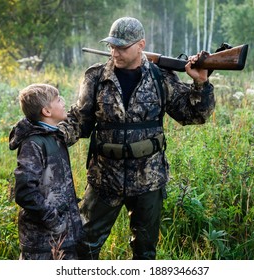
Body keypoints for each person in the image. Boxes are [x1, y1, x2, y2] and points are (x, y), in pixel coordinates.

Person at [59, 16, 215, 260]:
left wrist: (200, 83)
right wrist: (50, 136)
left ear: (141, 45)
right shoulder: (96, 77)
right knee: (83, 246)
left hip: (148, 179)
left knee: (145, 252)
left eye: (122, 47)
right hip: (104, 178)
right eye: (112, 46)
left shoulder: (160, 77)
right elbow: (79, 120)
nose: (115, 52)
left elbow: (194, 115)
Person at [9, 83, 82, 260]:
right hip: (42, 242)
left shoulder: (54, 136)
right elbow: (25, 192)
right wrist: (54, 220)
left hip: (64, 237)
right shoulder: (33, 143)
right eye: (58, 100)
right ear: (46, 112)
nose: (63, 103)